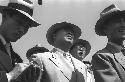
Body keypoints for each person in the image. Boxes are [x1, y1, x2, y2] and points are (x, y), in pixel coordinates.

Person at [0, 0, 41, 82]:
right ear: (5, 16)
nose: (22, 30)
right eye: (19, 22)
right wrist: (10, 75)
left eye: (26, 27)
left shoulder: (17, 59)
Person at [92, 4, 125, 82]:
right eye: (117, 21)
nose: (123, 25)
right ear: (105, 29)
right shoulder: (102, 57)